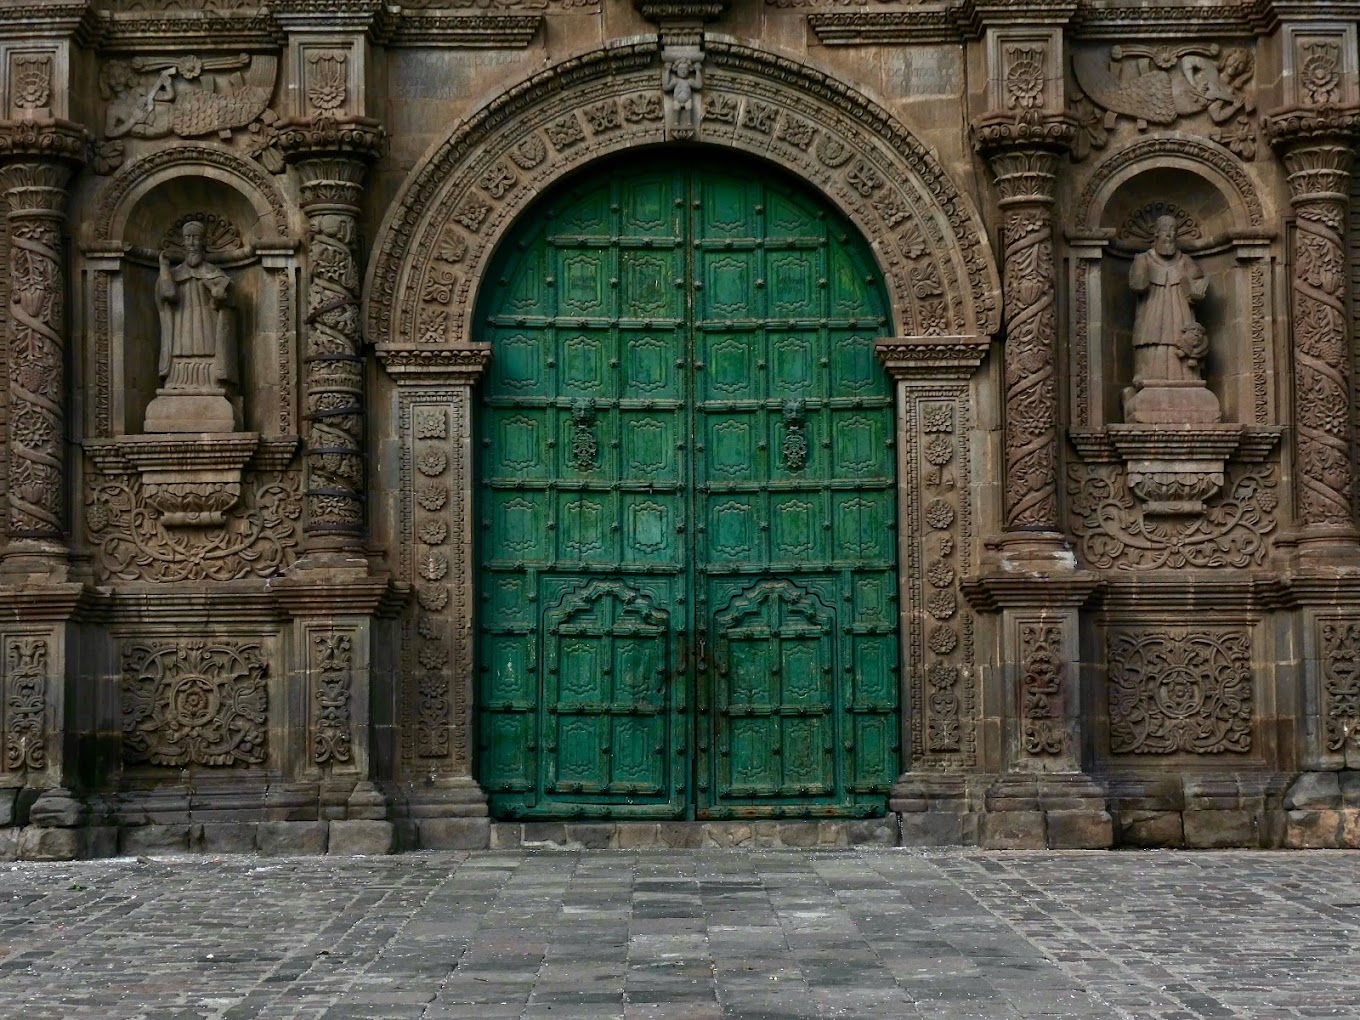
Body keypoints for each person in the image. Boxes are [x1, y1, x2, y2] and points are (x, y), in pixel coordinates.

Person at [157, 220, 236, 393]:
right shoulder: (174, 274)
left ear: (204, 242)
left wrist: (219, 297)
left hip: (207, 328)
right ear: (183, 242)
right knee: (181, 355)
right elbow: (169, 294)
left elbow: (228, 303)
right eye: (188, 238)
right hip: (181, 331)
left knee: (208, 353)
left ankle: (211, 383)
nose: (191, 243)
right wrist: (164, 268)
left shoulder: (213, 272)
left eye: (196, 238)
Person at [1129, 215, 1208, 387]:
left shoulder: (1185, 260)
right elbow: (1137, 285)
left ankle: (1185, 378)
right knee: (1151, 336)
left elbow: (1198, 282)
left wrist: (1196, 288)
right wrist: (1142, 270)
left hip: (1180, 310)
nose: (1169, 235)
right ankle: (1148, 376)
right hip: (1152, 307)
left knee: (1179, 337)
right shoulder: (1144, 259)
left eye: (1173, 231)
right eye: (1165, 230)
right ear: (1156, 233)